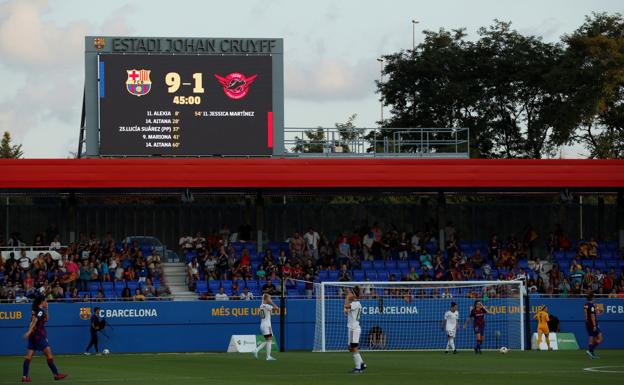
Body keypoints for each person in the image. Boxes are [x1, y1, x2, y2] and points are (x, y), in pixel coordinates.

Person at [22, 296, 67, 382]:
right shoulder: (40, 311)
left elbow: (46, 319)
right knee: (49, 355)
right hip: (39, 336)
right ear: (42, 302)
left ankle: (24, 377)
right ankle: (56, 375)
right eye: (45, 301)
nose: (47, 302)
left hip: (33, 336)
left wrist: (47, 308)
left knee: (28, 356)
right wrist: (29, 331)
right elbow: (35, 320)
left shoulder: (38, 311)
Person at [344, 286, 366, 374]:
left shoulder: (356, 304)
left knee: (354, 347)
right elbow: (345, 311)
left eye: (351, 293)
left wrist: (347, 297)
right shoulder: (353, 304)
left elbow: (346, 306)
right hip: (351, 328)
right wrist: (348, 298)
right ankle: (361, 364)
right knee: (350, 348)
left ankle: (358, 368)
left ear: (354, 295)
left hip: (354, 328)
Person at [253, 293, 277, 361]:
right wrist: (271, 302)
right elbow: (276, 308)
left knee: (268, 340)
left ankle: (264, 354)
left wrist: (266, 298)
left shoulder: (261, 305)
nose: (270, 299)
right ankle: (264, 354)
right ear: (266, 299)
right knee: (269, 340)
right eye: (269, 298)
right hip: (267, 325)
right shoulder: (266, 305)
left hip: (263, 325)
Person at [584, 292, 602, 358]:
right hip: (592, 323)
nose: (595, 298)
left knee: (591, 337)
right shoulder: (591, 306)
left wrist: (596, 310)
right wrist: (594, 325)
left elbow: (588, 314)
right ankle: (590, 350)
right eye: (594, 297)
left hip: (587, 323)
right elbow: (592, 316)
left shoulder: (586, 304)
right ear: (592, 298)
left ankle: (591, 354)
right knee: (600, 338)